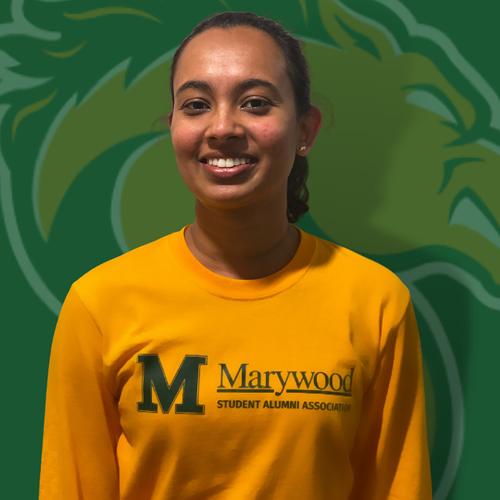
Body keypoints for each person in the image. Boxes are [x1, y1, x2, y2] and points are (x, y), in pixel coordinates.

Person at [39, 11, 432, 500]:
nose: (222, 127)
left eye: (255, 103)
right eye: (197, 104)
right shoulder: (99, 304)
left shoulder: (375, 302)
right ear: (173, 126)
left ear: (306, 129)